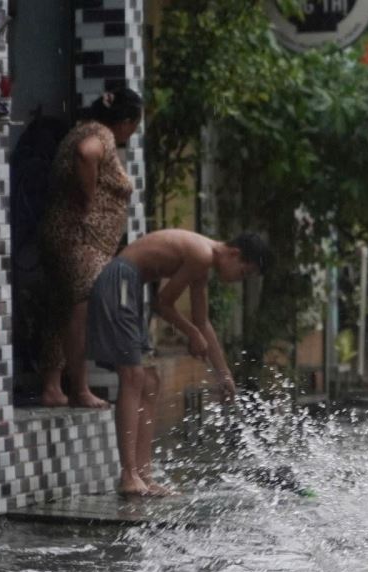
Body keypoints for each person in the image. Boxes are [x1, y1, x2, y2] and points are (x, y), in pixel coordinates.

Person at [86, 229, 269, 497]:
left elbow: (203, 322)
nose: (236, 281)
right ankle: (128, 475)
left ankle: (144, 475)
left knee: (150, 382)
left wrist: (224, 374)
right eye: (242, 274)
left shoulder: (203, 266)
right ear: (234, 254)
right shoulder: (201, 254)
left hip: (132, 288)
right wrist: (191, 333)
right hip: (120, 281)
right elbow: (163, 303)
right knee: (134, 377)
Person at [38, 87, 144, 408]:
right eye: (136, 124)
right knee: (80, 312)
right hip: (82, 242)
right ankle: (80, 388)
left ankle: (53, 387)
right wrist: (88, 198)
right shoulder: (101, 134)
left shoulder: (81, 128)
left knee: (60, 311)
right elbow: (87, 153)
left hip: (63, 235)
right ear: (125, 121)